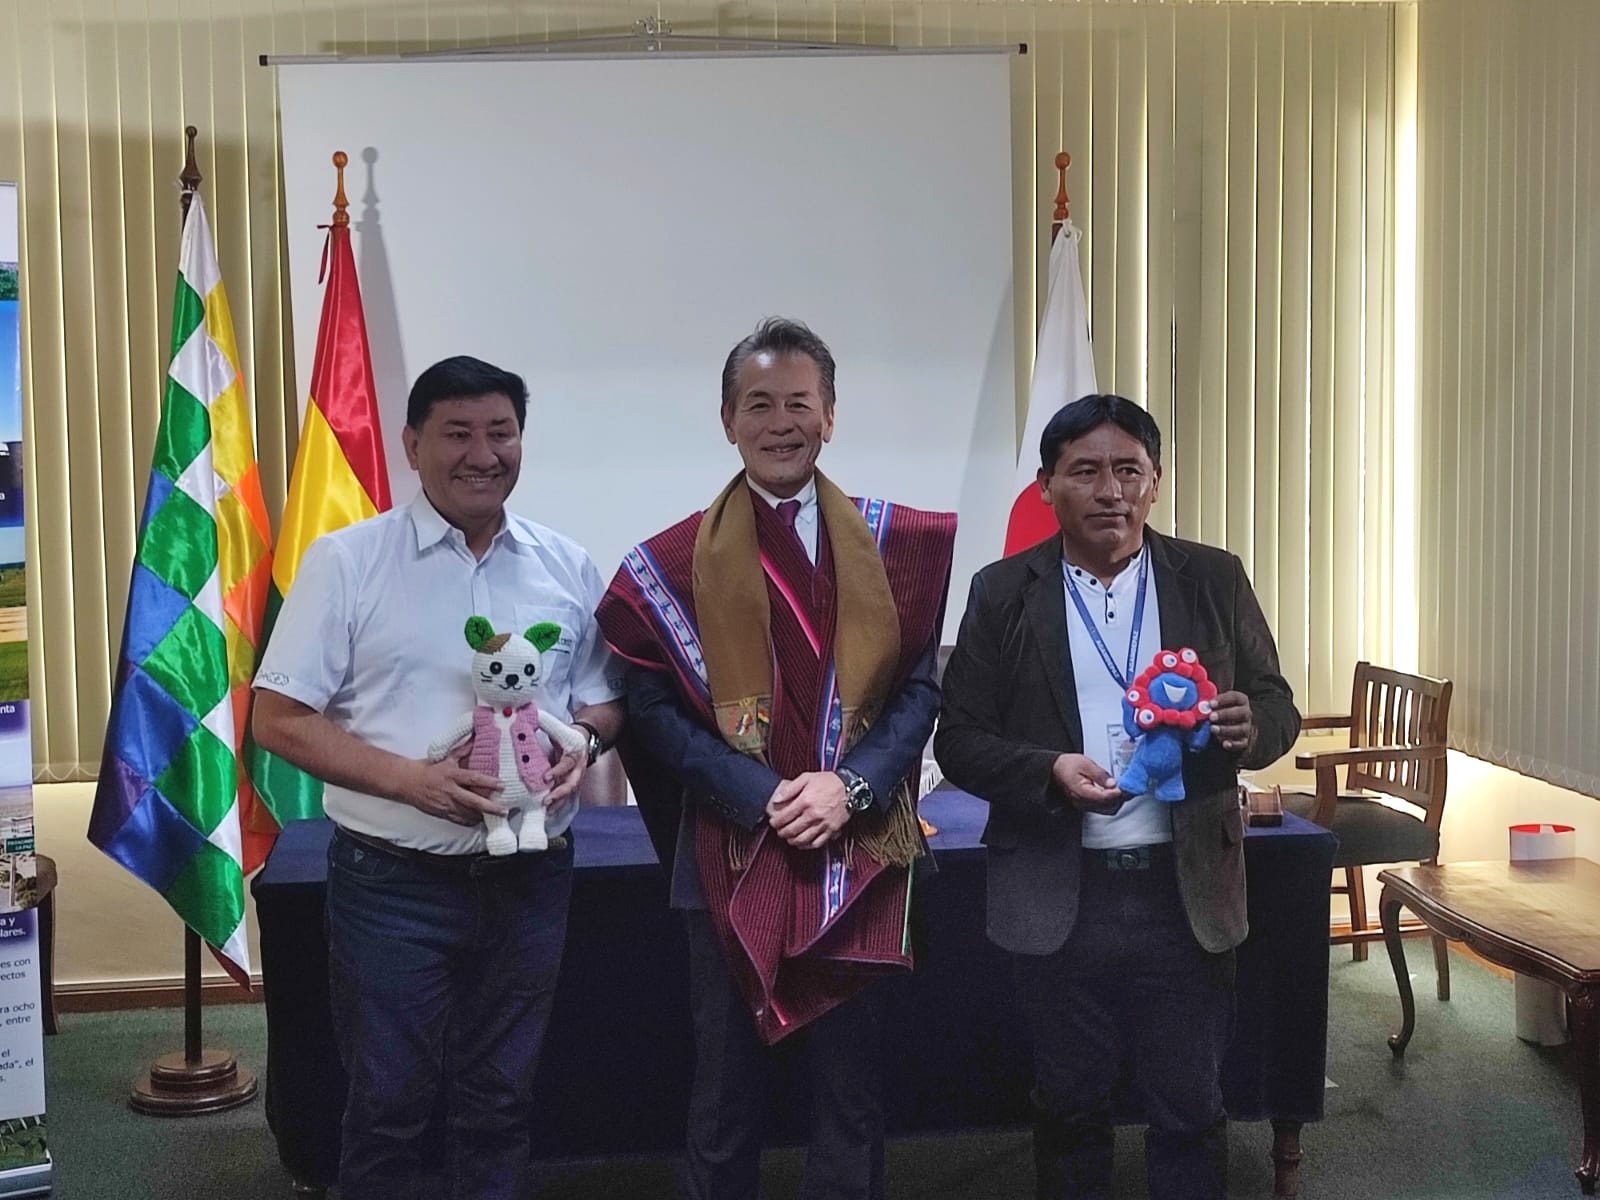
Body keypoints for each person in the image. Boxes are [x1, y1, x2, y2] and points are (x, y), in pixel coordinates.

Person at [596, 318, 957, 1200]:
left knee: (851, 1092)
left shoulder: (897, 544)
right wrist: (762, 795)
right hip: (728, 848)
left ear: (830, 416)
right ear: (727, 420)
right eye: (758, 404)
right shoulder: (670, 563)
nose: (780, 422)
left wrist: (851, 787)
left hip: (860, 846)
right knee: (724, 1094)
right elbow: (651, 711)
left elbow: (919, 690)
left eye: (799, 403)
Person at [251, 355, 625, 1200]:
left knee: (502, 1102)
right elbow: (278, 719)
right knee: (389, 1106)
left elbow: (603, 698)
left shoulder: (564, 564)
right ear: (412, 445)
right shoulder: (348, 561)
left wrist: (585, 744)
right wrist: (410, 783)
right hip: (394, 884)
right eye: (458, 434)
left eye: (501, 433)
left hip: (532, 879)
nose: (483, 455)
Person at [933, 394, 1300, 1200]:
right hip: (1059, 893)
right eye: (1086, 471)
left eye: (1128, 470)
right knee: (1069, 1109)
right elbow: (957, 739)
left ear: (1155, 481)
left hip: (1184, 891)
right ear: (1046, 486)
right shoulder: (1003, 592)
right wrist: (1048, 772)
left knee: (1191, 1109)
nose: (1110, 491)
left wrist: (1250, 727)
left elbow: (1278, 707)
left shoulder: (1212, 577)